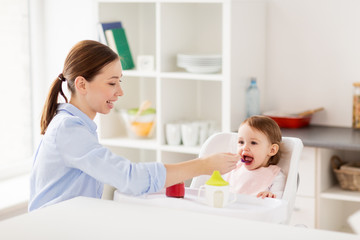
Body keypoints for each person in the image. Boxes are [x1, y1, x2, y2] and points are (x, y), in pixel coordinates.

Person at [28, 40, 240, 211]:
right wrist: (204, 165)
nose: (120, 92)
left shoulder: (75, 126)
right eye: (112, 83)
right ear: (82, 84)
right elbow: (130, 178)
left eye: (120, 81)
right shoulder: (69, 130)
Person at [225, 115, 285, 199]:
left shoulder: (276, 175)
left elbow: (279, 201)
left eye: (253, 143)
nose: (244, 147)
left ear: (272, 150)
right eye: (241, 142)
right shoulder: (234, 168)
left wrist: (270, 195)